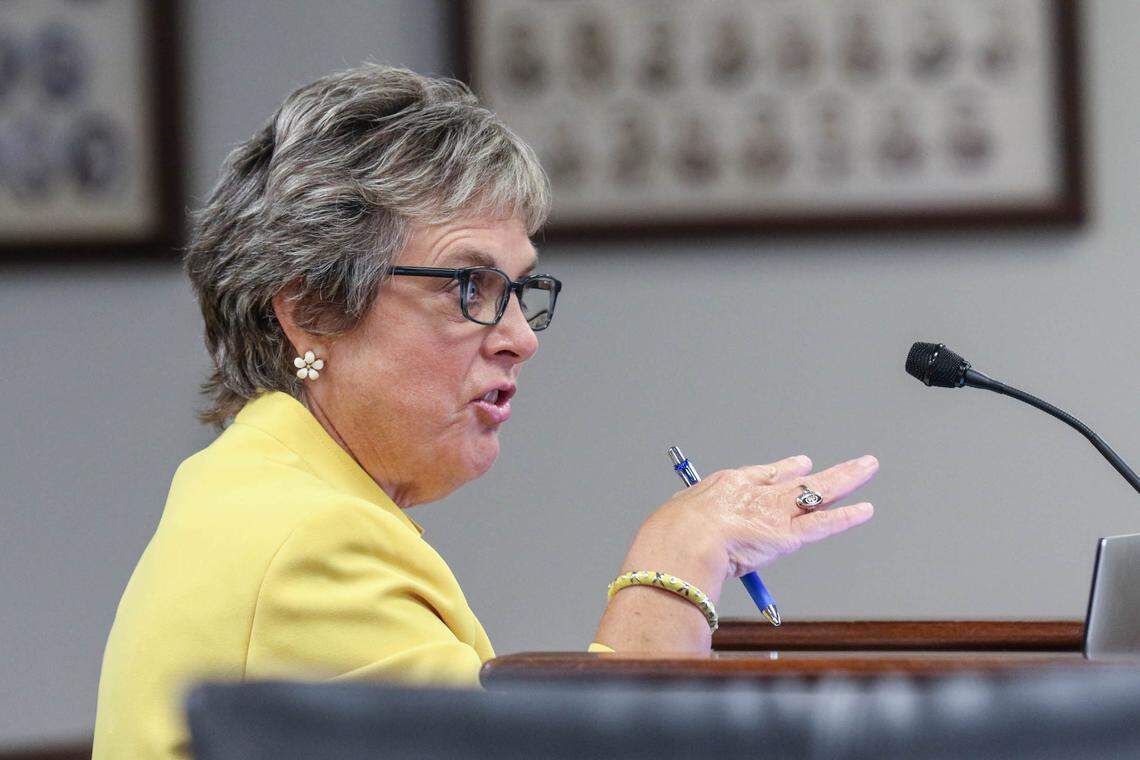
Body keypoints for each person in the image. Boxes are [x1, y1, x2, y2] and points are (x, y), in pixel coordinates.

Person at [92, 64, 878, 759]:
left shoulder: (263, 491)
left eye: (519, 290)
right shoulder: (309, 546)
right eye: (469, 288)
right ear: (312, 310)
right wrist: (671, 570)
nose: (517, 340)